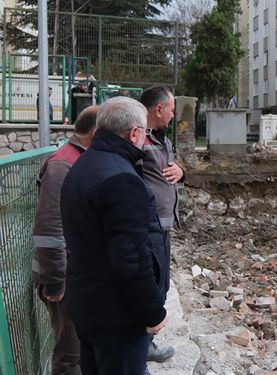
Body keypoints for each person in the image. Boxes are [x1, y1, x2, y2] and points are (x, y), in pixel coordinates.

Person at [60, 97, 168, 375]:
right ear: (134, 133)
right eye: (145, 133)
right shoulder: (122, 179)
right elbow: (131, 258)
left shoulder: (83, 166)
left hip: (88, 305)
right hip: (117, 316)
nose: (146, 139)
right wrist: (154, 311)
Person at [32, 105, 99, 375]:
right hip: (64, 280)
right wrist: (57, 283)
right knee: (71, 356)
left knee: (81, 350)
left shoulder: (78, 159)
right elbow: (49, 231)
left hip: (75, 276)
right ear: (95, 133)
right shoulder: (63, 164)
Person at [139, 85, 184, 363]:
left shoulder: (158, 140)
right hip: (148, 228)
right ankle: (142, 345)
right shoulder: (138, 141)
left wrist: (182, 170)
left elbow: (169, 168)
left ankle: (146, 342)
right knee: (151, 286)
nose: (172, 115)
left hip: (162, 229)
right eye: (171, 110)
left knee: (161, 286)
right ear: (158, 109)